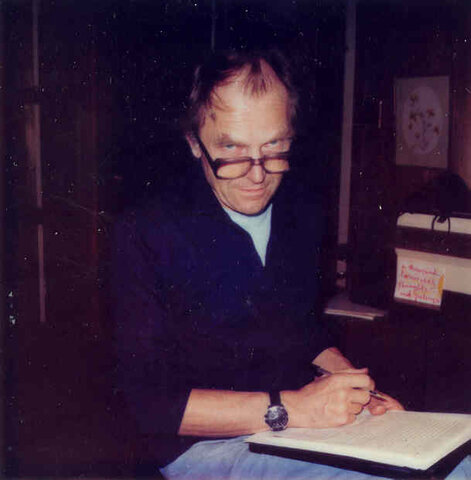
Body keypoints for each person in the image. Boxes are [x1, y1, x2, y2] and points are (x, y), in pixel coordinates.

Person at [111, 50, 469, 480]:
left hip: (298, 426)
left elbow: (301, 333)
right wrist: (294, 408)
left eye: (274, 148)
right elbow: (151, 406)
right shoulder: (147, 232)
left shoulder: (300, 212)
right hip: (205, 448)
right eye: (232, 149)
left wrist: (356, 387)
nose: (257, 175)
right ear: (193, 142)